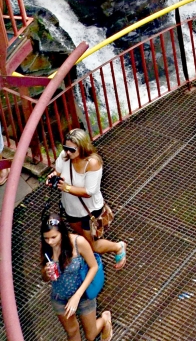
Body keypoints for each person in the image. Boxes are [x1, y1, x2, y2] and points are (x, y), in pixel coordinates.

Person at [52, 129, 126, 266]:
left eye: (72, 150)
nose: (68, 152)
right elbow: (58, 170)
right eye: (65, 148)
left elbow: (89, 191)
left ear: (82, 147)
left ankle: (118, 247)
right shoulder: (65, 156)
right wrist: (53, 176)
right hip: (71, 208)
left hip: (88, 210)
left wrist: (66, 188)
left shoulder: (92, 163)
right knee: (82, 236)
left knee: (91, 245)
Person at [40, 210, 112, 341]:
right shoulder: (47, 248)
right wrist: (46, 272)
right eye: (46, 238)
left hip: (83, 295)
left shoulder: (78, 243)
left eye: (53, 237)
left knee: (90, 335)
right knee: (72, 332)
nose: (50, 241)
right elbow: (44, 277)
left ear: (62, 232)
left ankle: (105, 320)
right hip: (60, 297)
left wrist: (77, 296)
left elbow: (94, 266)